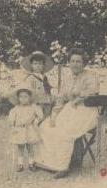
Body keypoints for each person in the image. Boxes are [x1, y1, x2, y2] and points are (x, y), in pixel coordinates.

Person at [35, 48, 100, 179]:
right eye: (72, 61)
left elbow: (92, 92)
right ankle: (47, 163)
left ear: (83, 63)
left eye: (78, 61)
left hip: (86, 111)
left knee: (65, 132)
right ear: (68, 63)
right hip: (69, 110)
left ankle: (62, 166)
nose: (75, 64)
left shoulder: (91, 76)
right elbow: (61, 98)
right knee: (45, 127)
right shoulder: (67, 79)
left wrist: (77, 99)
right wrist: (54, 115)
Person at [8, 88, 44, 172]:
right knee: (20, 147)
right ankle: (20, 164)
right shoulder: (16, 108)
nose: (23, 99)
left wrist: (35, 121)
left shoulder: (33, 107)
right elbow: (11, 119)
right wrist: (13, 126)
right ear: (18, 98)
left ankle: (31, 163)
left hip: (29, 129)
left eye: (25, 97)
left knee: (30, 147)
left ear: (30, 98)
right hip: (20, 130)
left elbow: (40, 115)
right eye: (21, 97)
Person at [19, 51, 56, 116]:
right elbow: (28, 91)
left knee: (47, 116)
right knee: (37, 116)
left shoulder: (45, 77)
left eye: (40, 64)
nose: (38, 66)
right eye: (35, 64)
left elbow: (48, 89)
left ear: (43, 65)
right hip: (36, 102)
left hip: (46, 101)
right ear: (31, 65)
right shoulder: (31, 78)